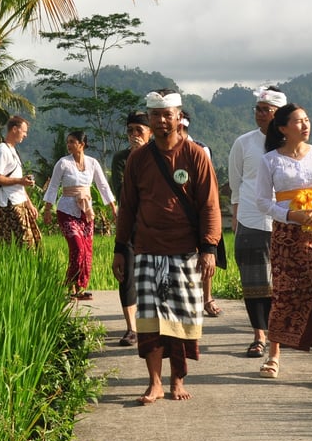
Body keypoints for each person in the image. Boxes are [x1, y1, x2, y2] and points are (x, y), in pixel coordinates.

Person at [112, 90, 222, 404]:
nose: (161, 121)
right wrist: (120, 248)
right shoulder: (138, 159)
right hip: (147, 249)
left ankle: (177, 380)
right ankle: (155, 382)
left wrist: (209, 248)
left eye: (167, 115)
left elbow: (210, 205)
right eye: (155, 115)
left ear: (178, 117)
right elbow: (128, 206)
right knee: (149, 321)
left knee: (182, 320)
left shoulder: (195, 155)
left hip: (185, 250)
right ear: (149, 118)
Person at [253, 103, 312, 389]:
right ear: (283, 128)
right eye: (298, 121)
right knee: (284, 291)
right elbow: (262, 201)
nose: (305, 125)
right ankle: (273, 356)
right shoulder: (270, 160)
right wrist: (292, 215)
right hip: (287, 235)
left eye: (307, 120)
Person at [227, 85, 285, 358]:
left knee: (283, 280)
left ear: (279, 114)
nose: (260, 114)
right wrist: (236, 216)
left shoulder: (289, 145)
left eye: (266, 110)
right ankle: (259, 336)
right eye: (258, 109)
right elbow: (236, 183)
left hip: (284, 220)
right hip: (251, 218)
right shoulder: (244, 143)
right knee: (254, 280)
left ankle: (281, 333)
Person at [43, 130, 117, 300]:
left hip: (86, 212)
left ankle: (80, 288)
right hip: (67, 210)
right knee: (77, 247)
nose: (68, 145)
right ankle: (70, 286)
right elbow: (53, 186)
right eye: (68, 142)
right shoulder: (63, 163)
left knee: (86, 250)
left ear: (82, 144)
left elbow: (103, 185)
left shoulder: (92, 163)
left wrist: (113, 207)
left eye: (72, 142)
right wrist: (47, 209)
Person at [110, 111, 150, 346]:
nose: (134, 135)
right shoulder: (121, 158)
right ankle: (131, 328)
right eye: (130, 131)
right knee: (127, 275)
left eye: (139, 130)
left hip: (154, 225)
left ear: (149, 133)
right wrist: (135, 157)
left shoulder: (157, 157)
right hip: (129, 223)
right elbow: (121, 192)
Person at [179, 110, 223, 318]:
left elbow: (206, 184)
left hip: (197, 211)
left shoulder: (200, 149)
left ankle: (207, 298)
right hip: (175, 214)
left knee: (205, 254)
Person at [0, 115, 41, 250]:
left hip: (20, 202)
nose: (25, 135)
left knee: (33, 242)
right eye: (24, 131)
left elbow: (19, 183)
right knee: (22, 244)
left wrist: (29, 204)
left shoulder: (12, 150)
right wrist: (20, 180)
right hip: (10, 204)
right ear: (14, 129)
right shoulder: (2, 150)